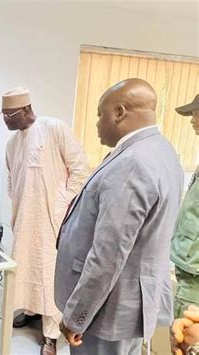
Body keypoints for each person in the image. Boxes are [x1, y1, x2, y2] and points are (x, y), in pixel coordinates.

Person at [54, 78, 184, 355]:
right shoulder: (163, 150)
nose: (97, 123)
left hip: (108, 310)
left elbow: (108, 255)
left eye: (100, 114)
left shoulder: (132, 163)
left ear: (119, 112)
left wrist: (77, 316)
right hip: (131, 301)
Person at [2, 87, 89, 354]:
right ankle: (30, 311)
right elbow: (11, 178)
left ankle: (51, 334)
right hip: (25, 219)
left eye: (10, 114)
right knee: (26, 267)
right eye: (2, 114)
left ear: (27, 110)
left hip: (54, 222)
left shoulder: (54, 127)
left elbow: (79, 168)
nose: (5, 120)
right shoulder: (12, 143)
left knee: (49, 275)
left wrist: (62, 204)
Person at [170, 94, 199, 319]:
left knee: (185, 337)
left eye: (196, 113)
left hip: (194, 270)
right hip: (188, 265)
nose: (192, 120)